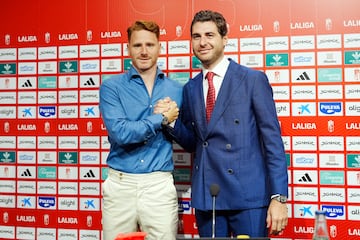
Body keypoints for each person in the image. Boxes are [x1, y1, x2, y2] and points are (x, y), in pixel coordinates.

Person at [163, 10, 289, 238]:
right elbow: (196, 143)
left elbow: (273, 143)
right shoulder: (190, 89)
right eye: (196, 36)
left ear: (225, 38)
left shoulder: (252, 80)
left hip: (249, 197)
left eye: (209, 35)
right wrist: (171, 122)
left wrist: (278, 197)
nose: (202, 42)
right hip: (208, 197)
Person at [99, 20, 183, 240]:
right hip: (120, 185)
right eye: (137, 46)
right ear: (128, 48)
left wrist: (172, 122)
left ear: (159, 47)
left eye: (150, 45)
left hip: (159, 184)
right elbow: (121, 133)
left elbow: (188, 137)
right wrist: (160, 118)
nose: (144, 51)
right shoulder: (111, 87)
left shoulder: (176, 89)